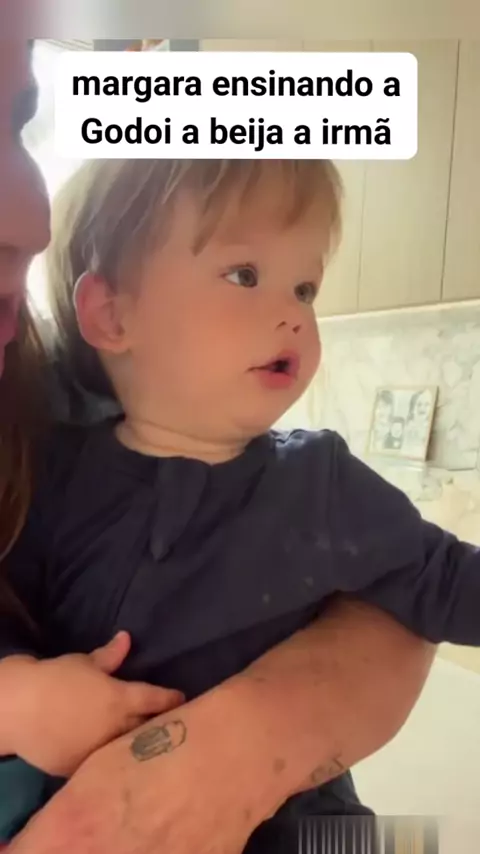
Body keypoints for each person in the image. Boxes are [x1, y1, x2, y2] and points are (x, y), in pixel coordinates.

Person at [0, 42, 436, 854]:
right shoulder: (69, 483)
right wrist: (19, 697)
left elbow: (426, 584)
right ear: (111, 316)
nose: (295, 315)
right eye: (244, 276)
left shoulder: (315, 474)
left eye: (306, 287)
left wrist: (237, 753)